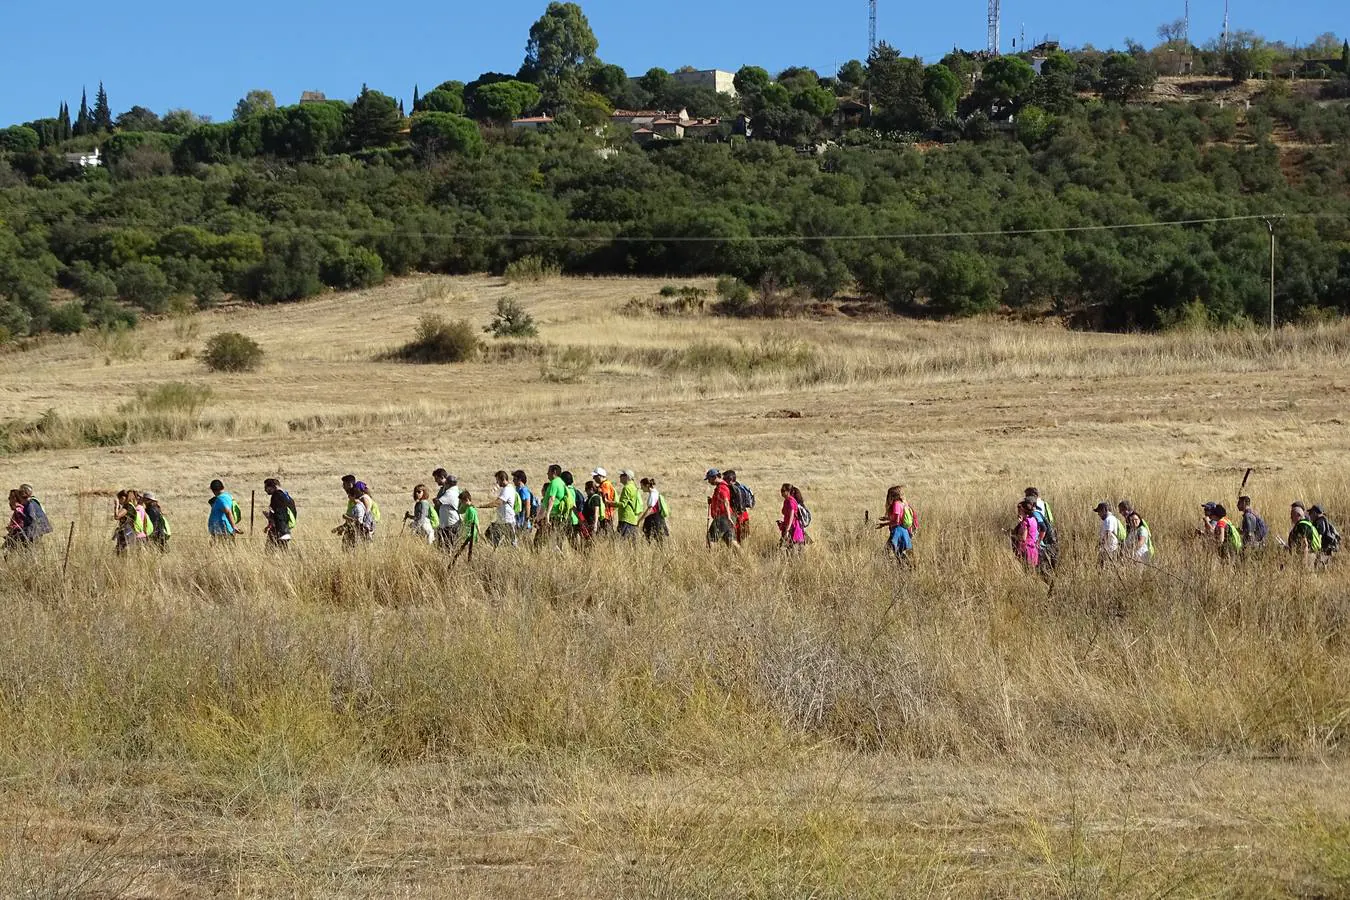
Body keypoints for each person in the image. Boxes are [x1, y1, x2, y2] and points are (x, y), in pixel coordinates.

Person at [878, 485, 916, 562]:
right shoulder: (903, 503)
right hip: (904, 530)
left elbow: (897, 521)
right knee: (899, 552)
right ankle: (908, 567)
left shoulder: (896, 504)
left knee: (888, 550)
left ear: (892, 496)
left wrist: (884, 524)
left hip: (897, 531)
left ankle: (904, 567)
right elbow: (899, 517)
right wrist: (887, 518)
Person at [535, 464, 569, 550]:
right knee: (556, 541)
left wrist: (547, 515)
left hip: (553, 516)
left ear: (554, 472)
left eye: (549, 471)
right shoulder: (562, 482)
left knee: (545, 542)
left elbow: (551, 499)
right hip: (559, 516)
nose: (547, 474)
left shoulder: (554, 482)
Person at [705, 469, 739, 549]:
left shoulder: (721, 487)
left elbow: (726, 501)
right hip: (727, 516)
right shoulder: (722, 486)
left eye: (709, 479)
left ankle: (711, 560)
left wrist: (728, 517)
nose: (709, 481)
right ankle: (744, 557)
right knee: (731, 540)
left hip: (722, 517)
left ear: (715, 477)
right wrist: (712, 500)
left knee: (710, 539)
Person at [484, 470, 518, 548]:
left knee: (511, 542)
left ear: (502, 479)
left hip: (507, 520)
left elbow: (498, 502)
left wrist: (484, 505)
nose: (497, 482)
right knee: (489, 534)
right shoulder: (505, 489)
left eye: (497, 480)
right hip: (501, 520)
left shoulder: (507, 489)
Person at [14, 484, 52, 548]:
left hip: (35, 530)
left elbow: (32, 521)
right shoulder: (33, 501)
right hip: (39, 529)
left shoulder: (29, 506)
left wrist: (23, 531)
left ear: (21, 496)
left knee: (28, 547)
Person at [263, 477, 297, 550]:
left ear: (273, 486)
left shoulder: (276, 496)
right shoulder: (287, 496)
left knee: (269, 552)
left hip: (278, 529)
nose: (265, 490)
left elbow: (278, 514)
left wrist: (269, 518)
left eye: (266, 487)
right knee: (283, 552)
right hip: (286, 529)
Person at [431, 470, 460, 550]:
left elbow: (439, 502)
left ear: (442, 477)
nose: (435, 480)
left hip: (450, 522)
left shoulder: (450, 491)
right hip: (443, 521)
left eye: (437, 478)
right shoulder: (443, 490)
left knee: (448, 545)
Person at [725, 470, 754, 543]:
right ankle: (745, 552)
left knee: (738, 538)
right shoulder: (740, 486)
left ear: (730, 479)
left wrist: (737, 516)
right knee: (744, 537)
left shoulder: (733, 488)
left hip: (739, 515)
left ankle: (741, 553)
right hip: (745, 514)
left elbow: (738, 504)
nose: (724, 481)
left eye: (725, 479)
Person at [452, 490, 480, 564]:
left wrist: (479, 533)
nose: (461, 504)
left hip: (470, 534)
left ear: (466, 500)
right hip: (467, 533)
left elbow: (475, 523)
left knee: (467, 551)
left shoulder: (471, 510)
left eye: (462, 502)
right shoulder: (468, 509)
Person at [778, 483, 806, 554]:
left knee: (793, 550)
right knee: (786, 549)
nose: (782, 492)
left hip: (794, 528)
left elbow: (791, 516)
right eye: (781, 490)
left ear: (788, 491)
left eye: (783, 490)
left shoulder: (791, 501)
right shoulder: (786, 501)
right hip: (788, 527)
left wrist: (787, 530)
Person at [1013, 498, 1040, 570]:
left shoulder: (1025, 522)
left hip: (1025, 550)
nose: (1018, 512)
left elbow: (1023, 538)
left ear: (1024, 511)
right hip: (1033, 550)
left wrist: (1011, 535)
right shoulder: (1033, 519)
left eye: (1019, 510)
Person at [638, 477, 669, 542]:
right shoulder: (655, 492)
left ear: (646, 485)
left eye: (642, 486)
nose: (641, 488)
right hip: (657, 518)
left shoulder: (653, 494)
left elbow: (650, 510)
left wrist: (640, 520)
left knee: (655, 539)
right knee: (658, 539)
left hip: (654, 519)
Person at [616, 469, 642, 540]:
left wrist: (609, 503)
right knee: (631, 543)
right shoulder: (634, 486)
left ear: (626, 477)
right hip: (633, 519)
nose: (620, 477)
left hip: (626, 518)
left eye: (621, 475)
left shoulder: (627, 488)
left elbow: (622, 504)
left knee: (622, 542)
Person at [592, 468, 617, 535]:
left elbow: (605, 500)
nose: (593, 478)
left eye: (595, 476)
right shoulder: (603, 484)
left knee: (608, 534)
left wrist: (598, 490)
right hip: (605, 514)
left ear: (600, 476)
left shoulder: (605, 485)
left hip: (606, 514)